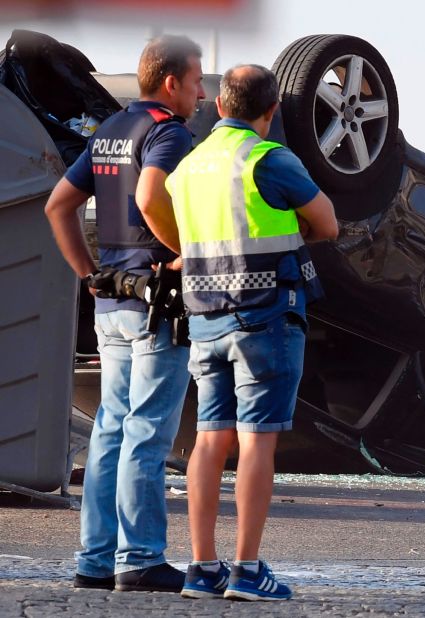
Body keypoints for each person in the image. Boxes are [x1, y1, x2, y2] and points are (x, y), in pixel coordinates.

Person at [166, 64, 337, 601]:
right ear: (272, 112)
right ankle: (247, 569)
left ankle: (201, 568)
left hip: (205, 319)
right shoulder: (268, 158)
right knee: (257, 442)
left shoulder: (189, 168)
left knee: (209, 439)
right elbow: (328, 224)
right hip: (264, 317)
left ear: (219, 106)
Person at [44, 35, 205, 591]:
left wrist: (88, 274)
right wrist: (186, 252)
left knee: (110, 429)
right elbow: (150, 195)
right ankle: (138, 558)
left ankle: (95, 558)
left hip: (111, 299)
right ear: (170, 83)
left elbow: (58, 205)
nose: (202, 92)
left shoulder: (110, 130)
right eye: (197, 80)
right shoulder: (168, 131)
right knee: (147, 432)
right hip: (157, 304)